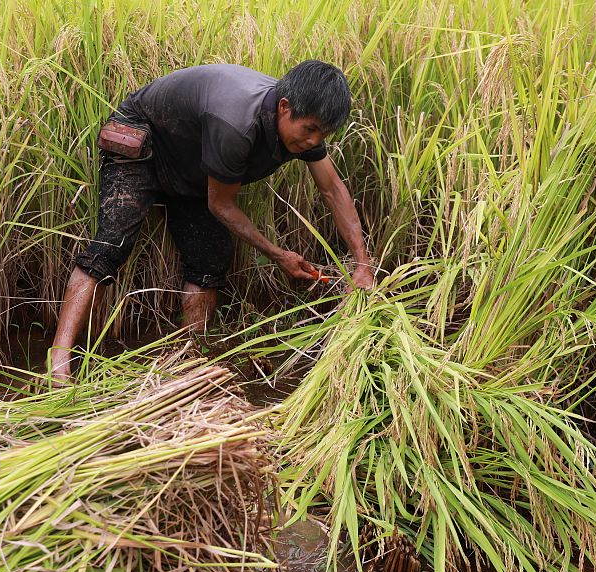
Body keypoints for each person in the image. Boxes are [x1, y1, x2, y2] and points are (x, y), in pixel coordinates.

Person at [48, 60, 374, 382]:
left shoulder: (301, 127)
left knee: (210, 259)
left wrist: (362, 263)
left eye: (323, 134)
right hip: (141, 136)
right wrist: (278, 255)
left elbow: (332, 189)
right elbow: (221, 204)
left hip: (192, 162)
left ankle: (189, 357)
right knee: (112, 244)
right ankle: (59, 359)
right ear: (285, 107)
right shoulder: (238, 123)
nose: (314, 142)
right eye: (310, 130)